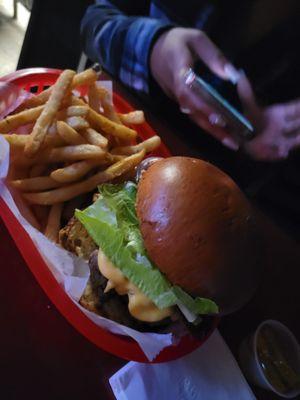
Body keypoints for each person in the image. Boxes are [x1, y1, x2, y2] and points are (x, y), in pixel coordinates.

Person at [81, 0, 300, 161]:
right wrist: (154, 45)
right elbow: (94, 24)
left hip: (206, 165)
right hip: (116, 124)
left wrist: (253, 134)